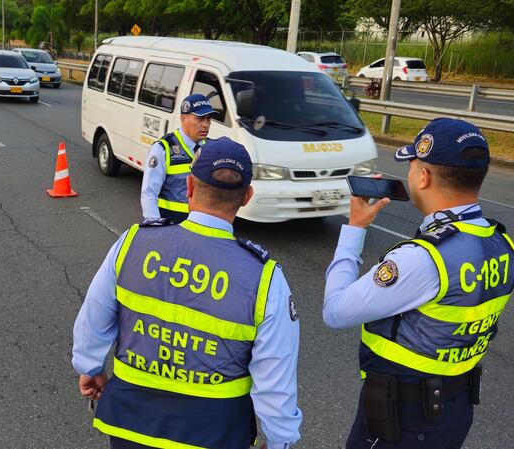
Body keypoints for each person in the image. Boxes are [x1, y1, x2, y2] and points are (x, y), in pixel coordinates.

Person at [73, 137, 302, 449]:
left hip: (132, 423)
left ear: (190, 187)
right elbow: (276, 382)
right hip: (215, 433)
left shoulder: (133, 243)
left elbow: (93, 318)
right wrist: (279, 442)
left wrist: (90, 367)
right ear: (247, 196)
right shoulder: (265, 278)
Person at [323, 118, 514, 448]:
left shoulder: (423, 258)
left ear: (423, 177)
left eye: (412, 166)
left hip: (401, 418)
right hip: (456, 409)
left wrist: (354, 229)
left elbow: (335, 311)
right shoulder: (502, 244)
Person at [140, 94, 218, 223]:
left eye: (208, 119)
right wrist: (155, 226)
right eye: (200, 119)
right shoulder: (163, 148)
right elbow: (149, 193)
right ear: (183, 118)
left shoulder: (210, 148)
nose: (206, 125)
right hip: (170, 224)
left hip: (200, 225)